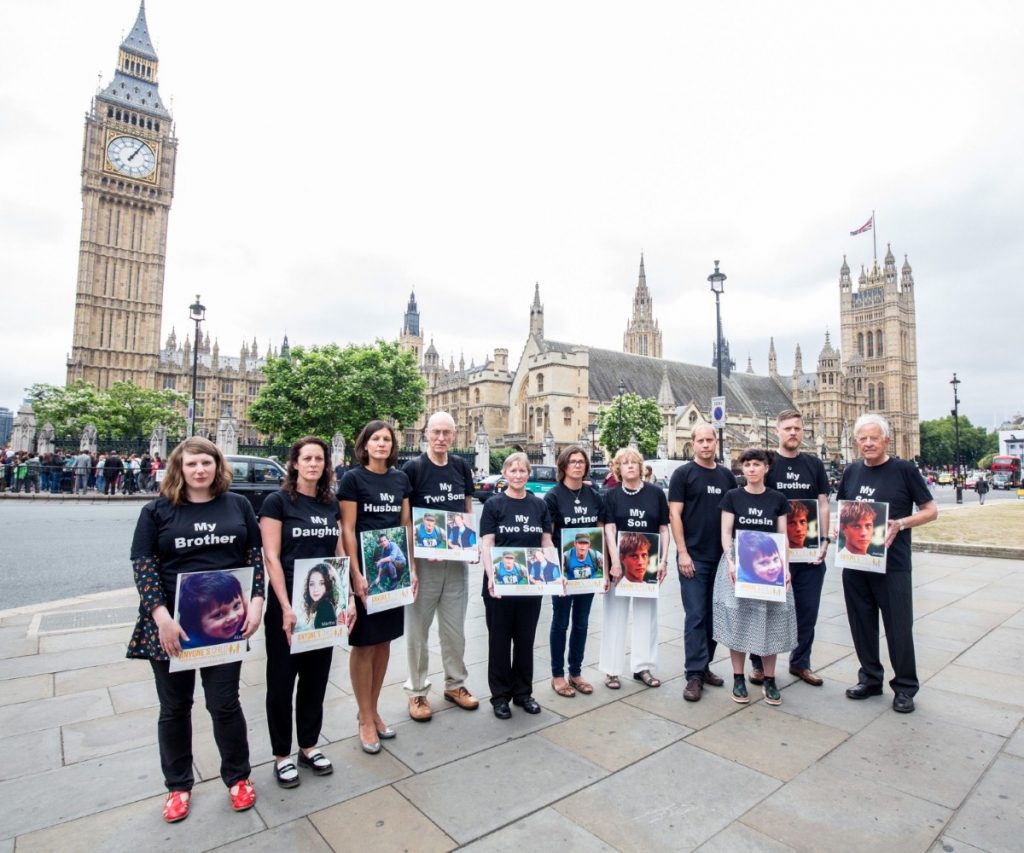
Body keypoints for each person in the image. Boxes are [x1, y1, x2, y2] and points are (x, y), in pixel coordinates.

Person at [127, 436, 264, 823]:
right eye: (191, 464)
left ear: (217, 466)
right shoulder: (157, 511)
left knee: (224, 704)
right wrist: (160, 615)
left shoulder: (237, 505)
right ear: (179, 469)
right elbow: (143, 563)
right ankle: (178, 786)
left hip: (225, 626)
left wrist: (256, 602)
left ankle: (238, 778)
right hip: (171, 627)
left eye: (206, 462)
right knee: (174, 708)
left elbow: (253, 558)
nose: (200, 470)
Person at [260, 436, 353, 788]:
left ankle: (309, 746)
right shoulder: (278, 502)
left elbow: (339, 554)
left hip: (323, 604)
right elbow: (271, 557)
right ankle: (282, 754)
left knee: (316, 679)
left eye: (319, 458)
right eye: (307, 458)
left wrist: (348, 602)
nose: (313, 464)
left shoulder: (331, 504)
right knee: (282, 683)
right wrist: (284, 607)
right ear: (294, 463)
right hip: (288, 606)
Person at [838, 414, 937, 714]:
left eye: (874, 438)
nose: (868, 443)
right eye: (863, 438)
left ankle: (905, 687)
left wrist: (902, 523)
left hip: (891, 564)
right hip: (855, 562)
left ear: (886, 440)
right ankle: (869, 678)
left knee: (898, 627)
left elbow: (930, 510)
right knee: (861, 624)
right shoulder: (851, 471)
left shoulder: (904, 470)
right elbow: (845, 508)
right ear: (856, 442)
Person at [340, 420, 415, 752]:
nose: (381, 444)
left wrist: (410, 568)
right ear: (365, 445)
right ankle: (365, 718)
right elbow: (348, 528)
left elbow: (406, 525)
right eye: (375, 439)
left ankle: (372, 710)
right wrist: (355, 573)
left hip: (392, 575)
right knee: (364, 645)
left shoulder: (401, 479)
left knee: (383, 643)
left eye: (386, 439)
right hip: (366, 575)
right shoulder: (353, 478)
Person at [401, 411, 479, 721]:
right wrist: (412, 562)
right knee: (417, 630)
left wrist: (470, 543)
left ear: (455, 435)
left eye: (447, 432)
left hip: (455, 561)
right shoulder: (414, 469)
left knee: (454, 628)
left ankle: (455, 684)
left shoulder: (461, 466)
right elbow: (407, 520)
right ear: (427, 434)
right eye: (436, 432)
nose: (442, 438)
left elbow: (467, 507)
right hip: (425, 561)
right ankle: (418, 691)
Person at [751, 410, 831, 688]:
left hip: (807, 552)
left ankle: (801, 662)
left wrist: (824, 540)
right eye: (788, 428)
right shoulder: (767, 463)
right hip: (770, 551)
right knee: (764, 609)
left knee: (807, 610)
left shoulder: (814, 464)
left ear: (803, 431)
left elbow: (822, 504)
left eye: (797, 428)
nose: (793, 432)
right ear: (777, 431)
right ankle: (759, 664)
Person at [713, 448, 795, 707]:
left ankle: (769, 679)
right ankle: (738, 677)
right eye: (746, 464)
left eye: (756, 464)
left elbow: (783, 537)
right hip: (740, 564)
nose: (751, 469)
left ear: (765, 468)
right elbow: (727, 533)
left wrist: (787, 567)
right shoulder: (732, 496)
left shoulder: (778, 499)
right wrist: (731, 561)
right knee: (737, 619)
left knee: (771, 620)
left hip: (769, 566)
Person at [480, 451, 554, 718]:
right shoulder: (494, 505)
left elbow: (546, 542)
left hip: (530, 585)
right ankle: (500, 696)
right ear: (505, 473)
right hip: (499, 584)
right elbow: (487, 543)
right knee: (499, 642)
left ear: (528, 474)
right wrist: (491, 578)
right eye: (513, 470)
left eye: (522, 471)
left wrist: (554, 572)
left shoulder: (539, 505)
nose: (518, 475)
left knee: (525, 640)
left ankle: (523, 693)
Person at [669, 423, 737, 702]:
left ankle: (705, 665)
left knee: (714, 615)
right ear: (693, 443)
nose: (706, 444)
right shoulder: (682, 474)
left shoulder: (727, 476)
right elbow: (675, 515)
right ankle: (694, 674)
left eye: (710, 440)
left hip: (721, 558)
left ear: (716, 442)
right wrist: (682, 552)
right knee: (696, 615)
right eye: (701, 440)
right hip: (693, 558)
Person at [600, 447, 670, 691]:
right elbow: (608, 529)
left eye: (634, 462)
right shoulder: (610, 495)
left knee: (646, 615)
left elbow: (663, 528)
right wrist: (615, 562)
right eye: (624, 463)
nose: (629, 466)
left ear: (641, 467)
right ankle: (611, 670)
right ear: (617, 469)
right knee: (615, 616)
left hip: (647, 563)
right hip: (619, 565)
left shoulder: (656, 494)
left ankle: (643, 666)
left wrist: (663, 560)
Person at [178, 572, 248, 648]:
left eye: (236, 606)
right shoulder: (188, 645)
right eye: (219, 614)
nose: (233, 616)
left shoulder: (240, 622)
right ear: (195, 622)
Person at [301, 563, 341, 629]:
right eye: (312, 584)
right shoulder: (321, 605)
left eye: (321, 583)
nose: (315, 589)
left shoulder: (325, 606)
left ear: (327, 585)